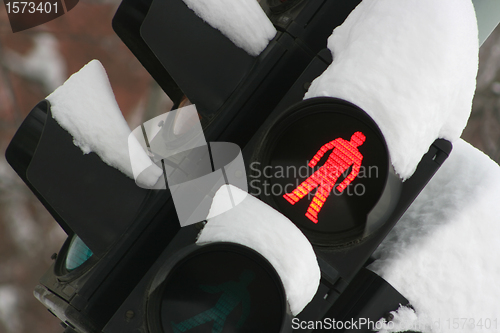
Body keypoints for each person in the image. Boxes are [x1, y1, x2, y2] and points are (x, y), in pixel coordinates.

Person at [283, 132, 366, 223]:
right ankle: (298, 200)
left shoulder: (356, 155)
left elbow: (354, 172)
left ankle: (312, 211)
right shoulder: (342, 143)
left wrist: (343, 185)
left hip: (332, 174)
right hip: (327, 169)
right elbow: (325, 148)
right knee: (311, 185)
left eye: (358, 139)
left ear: (360, 142)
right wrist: (314, 160)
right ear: (353, 136)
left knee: (320, 192)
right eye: (356, 137)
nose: (356, 140)